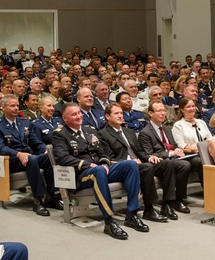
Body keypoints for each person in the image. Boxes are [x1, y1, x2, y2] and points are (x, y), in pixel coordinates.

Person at [51, 104, 145, 241]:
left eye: (79, 113)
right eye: (74, 114)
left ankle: (131, 214)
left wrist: (104, 163)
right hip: (80, 174)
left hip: (99, 168)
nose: (79, 116)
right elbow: (62, 157)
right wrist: (90, 165)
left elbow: (102, 152)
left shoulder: (90, 130)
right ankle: (109, 221)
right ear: (65, 118)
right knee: (98, 171)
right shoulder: (60, 135)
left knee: (130, 165)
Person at [97, 103, 168, 224]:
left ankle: (161, 206)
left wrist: (150, 157)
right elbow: (108, 157)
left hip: (138, 163)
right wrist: (129, 161)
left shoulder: (129, 132)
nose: (120, 116)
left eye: (121, 113)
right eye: (116, 113)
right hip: (121, 167)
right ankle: (147, 209)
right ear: (107, 117)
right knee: (146, 168)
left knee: (160, 164)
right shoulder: (102, 134)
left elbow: (139, 151)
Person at [0, 96, 58, 217]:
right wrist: (18, 154)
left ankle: (51, 196)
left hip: (29, 158)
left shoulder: (24, 122)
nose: (16, 108)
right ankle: (37, 199)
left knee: (50, 157)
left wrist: (45, 150)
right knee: (33, 159)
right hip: (11, 161)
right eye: (12, 106)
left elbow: (34, 141)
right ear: (3, 107)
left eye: (17, 106)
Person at [137, 101, 198, 217]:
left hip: (170, 159)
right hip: (156, 162)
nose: (163, 113)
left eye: (164, 111)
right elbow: (149, 154)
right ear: (150, 113)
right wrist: (169, 154)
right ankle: (168, 203)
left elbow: (173, 146)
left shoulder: (167, 129)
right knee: (175, 164)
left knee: (186, 164)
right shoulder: (145, 133)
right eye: (159, 111)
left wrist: (178, 151)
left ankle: (178, 199)